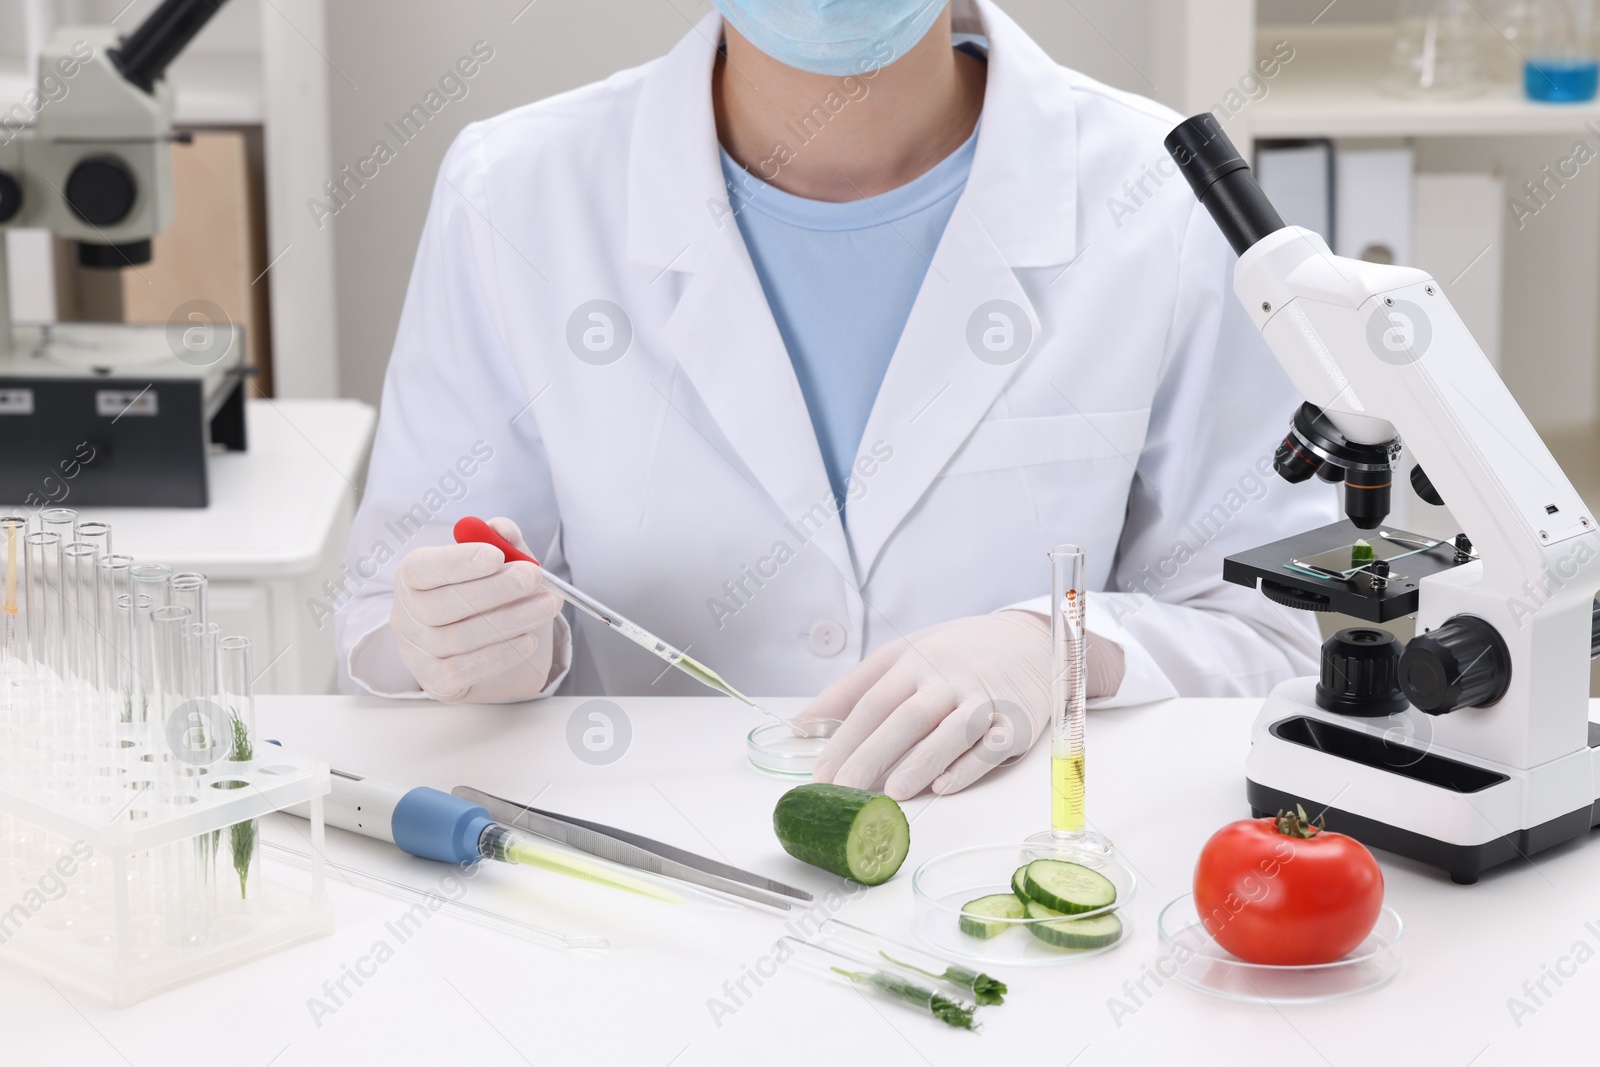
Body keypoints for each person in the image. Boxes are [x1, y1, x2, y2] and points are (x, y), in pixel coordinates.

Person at [335, 0, 1337, 800]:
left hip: (1018, 886)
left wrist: (1056, 648)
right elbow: (384, 616)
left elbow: (1274, 630)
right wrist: (462, 644)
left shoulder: (1157, 198)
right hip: (644, 892)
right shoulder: (516, 193)